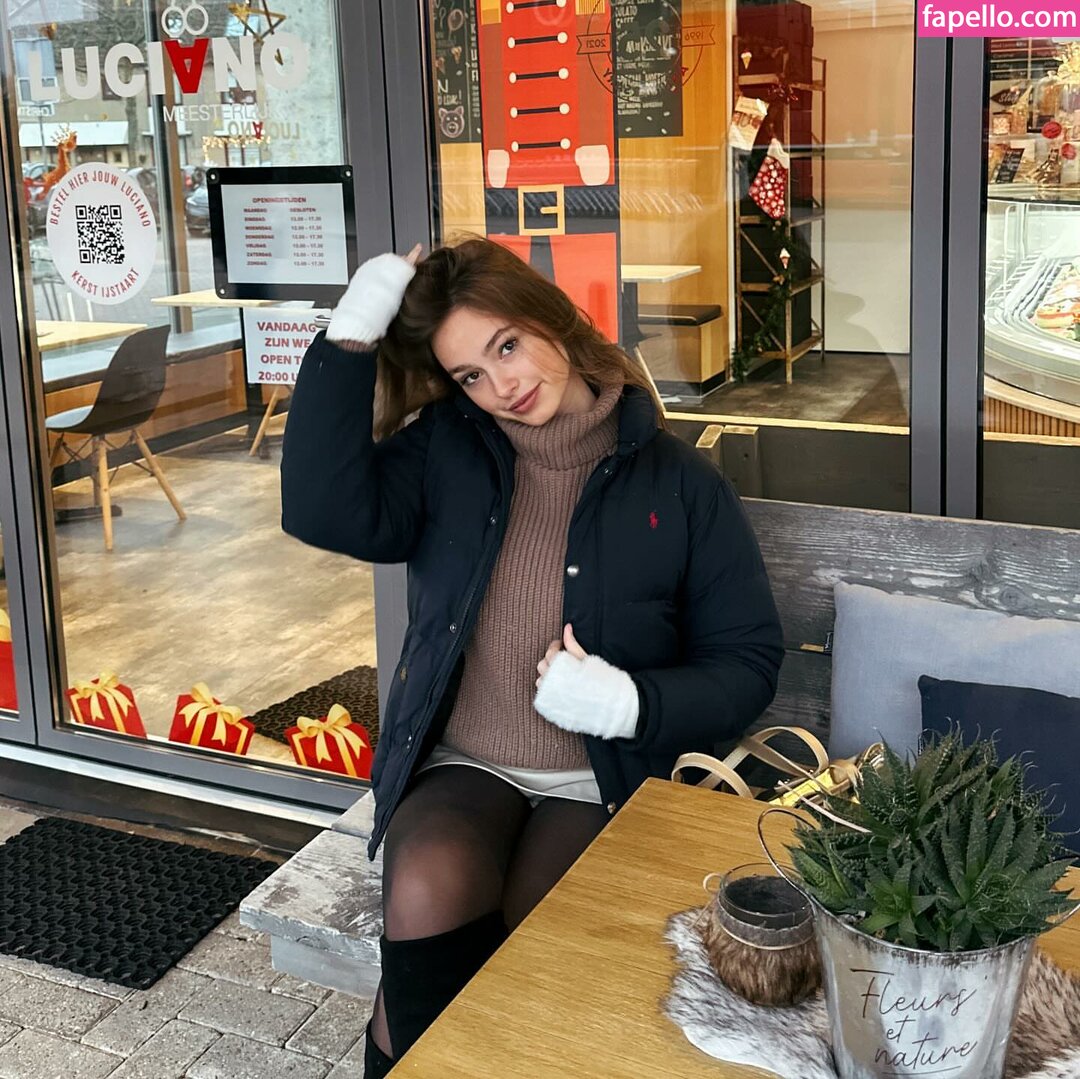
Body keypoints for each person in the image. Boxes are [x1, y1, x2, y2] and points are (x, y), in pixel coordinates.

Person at [280, 237, 784, 1075]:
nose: (502, 385)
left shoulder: (679, 484)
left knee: (540, 922)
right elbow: (322, 509)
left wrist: (630, 703)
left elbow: (749, 660)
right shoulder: (450, 451)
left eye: (507, 345)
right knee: (427, 882)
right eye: (471, 374)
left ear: (553, 319)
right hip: (467, 763)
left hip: (599, 777)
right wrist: (351, 335)